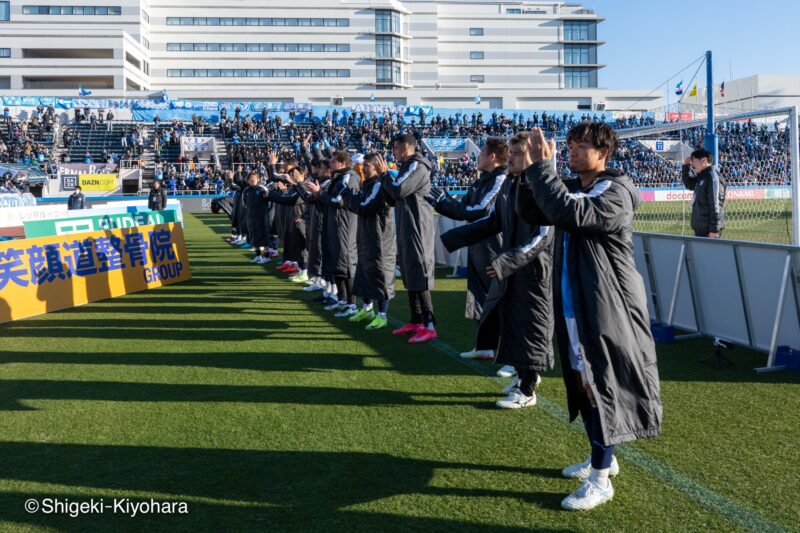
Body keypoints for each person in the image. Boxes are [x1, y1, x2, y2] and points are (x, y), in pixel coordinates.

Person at [516, 122, 662, 511]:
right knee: (583, 386)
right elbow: (534, 209)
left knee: (600, 388)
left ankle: (600, 481)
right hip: (575, 307)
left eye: (582, 146)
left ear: (604, 152)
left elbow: (568, 212)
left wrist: (542, 172)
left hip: (606, 309)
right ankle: (604, 459)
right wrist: (529, 171)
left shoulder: (615, 191)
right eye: (571, 145)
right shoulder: (576, 186)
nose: (573, 151)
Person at [441, 132, 554, 409]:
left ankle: (527, 390)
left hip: (534, 273)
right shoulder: (510, 185)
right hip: (512, 269)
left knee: (531, 328)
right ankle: (522, 379)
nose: (510, 158)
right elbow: (493, 221)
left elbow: (542, 236)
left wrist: (505, 262)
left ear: (533, 156)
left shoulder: (542, 187)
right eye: (511, 153)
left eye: (517, 154)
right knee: (513, 325)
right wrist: (453, 240)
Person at [427, 138, 507, 359]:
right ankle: (486, 346)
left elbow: (481, 211)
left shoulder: (501, 179)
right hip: (477, 245)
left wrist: (446, 203)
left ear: (492, 156)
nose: (477, 156)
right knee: (481, 295)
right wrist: (443, 202)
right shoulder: (482, 181)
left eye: (481, 153)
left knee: (498, 297)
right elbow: (465, 208)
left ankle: (506, 350)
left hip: (493, 247)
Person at [381, 133, 438, 344]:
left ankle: (430, 325)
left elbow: (400, 190)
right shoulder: (406, 168)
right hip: (406, 225)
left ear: (406, 148)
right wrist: (383, 177)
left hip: (418, 228)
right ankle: (416, 321)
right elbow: (393, 198)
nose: (393, 152)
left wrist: (385, 175)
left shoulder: (418, 167)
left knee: (419, 273)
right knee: (409, 271)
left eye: (395, 148)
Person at [341, 153, 397, 331]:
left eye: (366, 165)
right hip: (366, 235)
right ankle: (367, 309)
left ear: (376, 166)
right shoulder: (367, 184)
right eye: (362, 165)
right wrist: (352, 198)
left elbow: (364, 207)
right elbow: (360, 203)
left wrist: (349, 197)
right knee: (364, 272)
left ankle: (382, 315)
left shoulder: (379, 185)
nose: (362, 168)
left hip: (380, 238)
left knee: (381, 275)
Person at [305, 151, 360, 318]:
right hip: (334, 225)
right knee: (338, 264)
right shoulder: (339, 177)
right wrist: (318, 195)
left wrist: (319, 194)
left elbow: (340, 201)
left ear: (342, 163)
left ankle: (352, 304)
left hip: (344, 227)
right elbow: (330, 201)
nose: (330, 162)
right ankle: (342, 300)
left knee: (346, 265)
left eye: (334, 160)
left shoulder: (349, 177)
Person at [681, 147, 725, 237]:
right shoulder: (702, 175)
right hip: (701, 228)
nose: (692, 165)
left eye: (694, 161)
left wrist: (714, 229)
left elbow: (716, 204)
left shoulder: (712, 177)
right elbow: (689, 184)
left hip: (709, 230)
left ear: (704, 160)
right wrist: (686, 166)